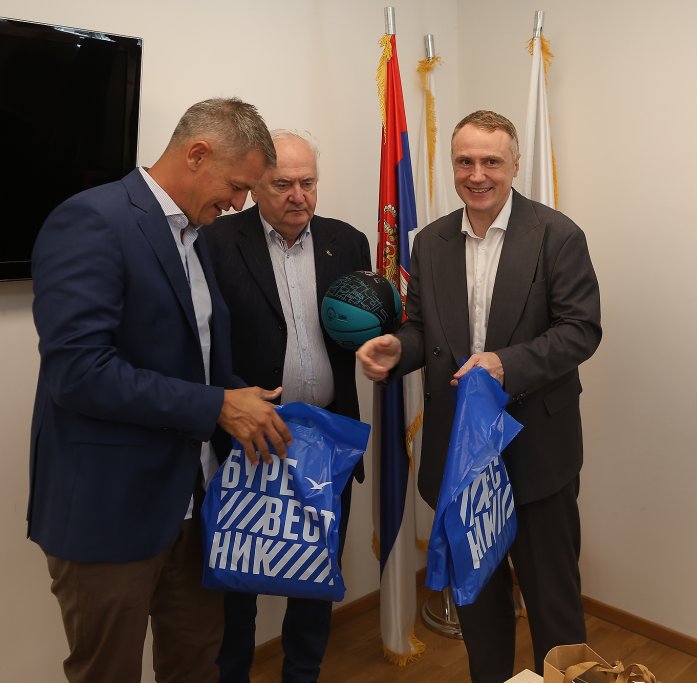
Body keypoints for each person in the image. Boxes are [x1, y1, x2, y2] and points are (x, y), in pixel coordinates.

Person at [28, 98, 293, 683]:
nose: (240, 205)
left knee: (198, 664)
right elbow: (80, 372)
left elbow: (185, 358)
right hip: (109, 511)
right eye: (237, 187)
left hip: (194, 507)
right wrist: (217, 405)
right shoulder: (92, 221)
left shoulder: (195, 236)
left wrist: (238, 395)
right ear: (197, 154)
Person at [357, 110, 602, 682]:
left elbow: (580, 330)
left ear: (515, 165)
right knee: (480, 605)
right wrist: (397, 349)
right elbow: (423, 331)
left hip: (536, 452)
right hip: (460, 457)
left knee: (553, 607)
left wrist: (504, 364)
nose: (477, 174)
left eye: (491, 161)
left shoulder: (557, 235)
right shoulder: (430, 242)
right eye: (464, 161)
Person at [205, 129, 371, 683]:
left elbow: (362, 328)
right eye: (282, 185)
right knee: (239, 581)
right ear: (255, 186)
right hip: (249, 440)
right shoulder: (216, 242)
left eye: (308, 183)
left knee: (315, 573)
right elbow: (203, 342)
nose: (298, 196)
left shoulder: (347, 242)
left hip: (325, 440)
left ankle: (303, 673)